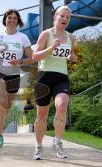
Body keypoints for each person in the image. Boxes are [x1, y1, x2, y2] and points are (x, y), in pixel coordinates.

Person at [31, 6, 77, 160]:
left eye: (68, 17)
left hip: (61, 76)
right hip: (44, 77)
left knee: (62, 105)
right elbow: (34, 57)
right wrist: (50, 48)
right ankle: (38, 146)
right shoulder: (46, 34)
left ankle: (58, 142)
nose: (65, 19)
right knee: (42, 115)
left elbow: (71, 55)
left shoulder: (71, 38)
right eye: (62, 16)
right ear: (55, 17)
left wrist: (72, 58)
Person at [0, 9, 33, 154]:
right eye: (9, 17)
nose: (11, 20)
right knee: (3, 102)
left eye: (14, 18)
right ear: (5, 20)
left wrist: (21, 60)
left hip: (14, 74)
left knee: (6, 106)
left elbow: (31, 57)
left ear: (18, 21)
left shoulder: (23, 37)